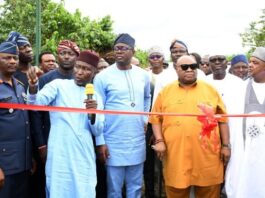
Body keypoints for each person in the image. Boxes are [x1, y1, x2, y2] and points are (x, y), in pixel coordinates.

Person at [149, 55, 230, 198]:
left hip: (207, 155)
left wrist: (226, 146)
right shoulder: (166, 92)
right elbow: (155, 118)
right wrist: (159, 141)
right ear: (176, 69)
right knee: (176, 190)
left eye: (193, 66)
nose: (189, 70)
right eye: (185, 67)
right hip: (176, 154)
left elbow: (222, 119)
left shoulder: (211, 90)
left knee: (209, 191)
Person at [27, 50, 103, 198]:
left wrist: (93, 113)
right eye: (78, 66)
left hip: (83, 154)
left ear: (93, 73)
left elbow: (98, 129)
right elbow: (36, 103)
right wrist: (33, 86)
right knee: (58, 189)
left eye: (86, 69)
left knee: (84, 190)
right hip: (59, 153)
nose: (80, 72)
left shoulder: (96, 96)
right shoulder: (58, 85)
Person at [94, 33, 151, 198]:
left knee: (135, 187)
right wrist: (100, 142)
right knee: (114, 189)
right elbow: (97, 111)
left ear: (133, 51)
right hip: (113, 141)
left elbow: (147, 97)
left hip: (137, 139)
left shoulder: (143, 75)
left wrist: (145, 118)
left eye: (123, 48)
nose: (118, 52)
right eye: (116, 48)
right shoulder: (102, 77)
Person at [29, 40, 80, 197]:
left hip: (77, 141)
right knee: (54, 181)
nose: (66, 57)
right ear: (58, 56)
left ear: (76, 57)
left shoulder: (83, 79)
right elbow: (36, 113)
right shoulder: (46, 79)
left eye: (70, 54)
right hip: (52, 140)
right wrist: (41, 144)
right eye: (62, 53)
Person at [227, 47, 265, 198]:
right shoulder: (238, 89)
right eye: (250, 61)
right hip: (242, 149)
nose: (250, 65)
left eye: (255, 62)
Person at [0, 41, 32, 198]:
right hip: (4, 166)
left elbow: (24, 123)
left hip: (22, 163)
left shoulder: (19, 86)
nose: (12, 61)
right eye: (7, 58)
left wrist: (29, 157)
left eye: (15, 58)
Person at [145, 46, 165, 198]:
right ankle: (151, 192)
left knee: (165, 162)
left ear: (163, 59)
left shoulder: (170, 76)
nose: (156, 59)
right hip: (147, 124)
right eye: (153, 57)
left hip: (164, 124)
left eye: (158, 56)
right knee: (149, 162)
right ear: (148, 59)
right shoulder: (144, 76)